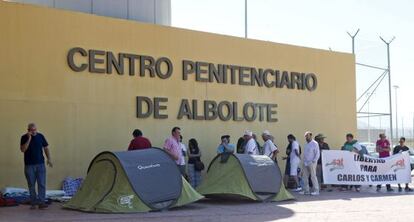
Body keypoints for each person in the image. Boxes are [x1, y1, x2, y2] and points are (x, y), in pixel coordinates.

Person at [20, 123, 53, 209]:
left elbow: (46, 148)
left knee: (42, 183)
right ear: (28, 130)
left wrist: (49, 159)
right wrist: (29, 138)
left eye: (35, 130)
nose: (34, 132)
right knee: (31, 184)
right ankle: (33, 203)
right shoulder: (24, 137)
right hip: (29, 165)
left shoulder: (41, 136)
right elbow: (23, 149)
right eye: (32, 130)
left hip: (40, 164)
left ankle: (41, 202)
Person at [299, 131, 320, 195]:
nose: (306, 137)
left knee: (313, 176)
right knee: (304, 177)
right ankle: (306, 191)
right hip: (305, 163)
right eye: (305, 136)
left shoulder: (315, 143)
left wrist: (314, 161)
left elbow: (317, 153)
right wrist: (303, 162)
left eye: (307, 136)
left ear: (311, 136)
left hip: (312, 162)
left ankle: (316, 191)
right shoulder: (306, 144)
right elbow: (305, 154)